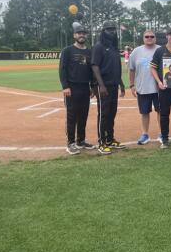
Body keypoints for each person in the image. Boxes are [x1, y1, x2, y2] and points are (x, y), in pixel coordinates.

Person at [59, 22, 95, 155]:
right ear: (74, 35)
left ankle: (81, 140)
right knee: (72, 116)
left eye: (83, 33)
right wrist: (65, 86)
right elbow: (62, 69)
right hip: (72, 88)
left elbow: (91, 70)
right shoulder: (67, 51)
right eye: (79, 33)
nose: (81, 35)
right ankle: (70, 143)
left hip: (85, 88)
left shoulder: (89, 51)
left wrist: (91, 86)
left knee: (83, 116)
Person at [91, 21, 126, 155]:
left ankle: (110, 139)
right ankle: (102, 142)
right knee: (103, 114)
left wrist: (121, 84)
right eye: (108, 29)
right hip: (103, 86)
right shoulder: (99, 47)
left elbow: (115, 68)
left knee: (112, 114)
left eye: (113, 30)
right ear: (103, 31)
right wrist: (101, 85)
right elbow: (94, 66)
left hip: (113, 85)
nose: (111, 32)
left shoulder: (114, 48)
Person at [128, 29, 161, 145]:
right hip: (143, 87)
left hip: (159, 88)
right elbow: (131, 69)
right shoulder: (136, 52)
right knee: (144, 112)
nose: (149, 38)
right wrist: (132, 85)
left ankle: (162, 133)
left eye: (152, 36)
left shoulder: (161, 50)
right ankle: (145, 134)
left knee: (160, 111)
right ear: (143, 38)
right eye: (147, 37)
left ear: (155, 38)